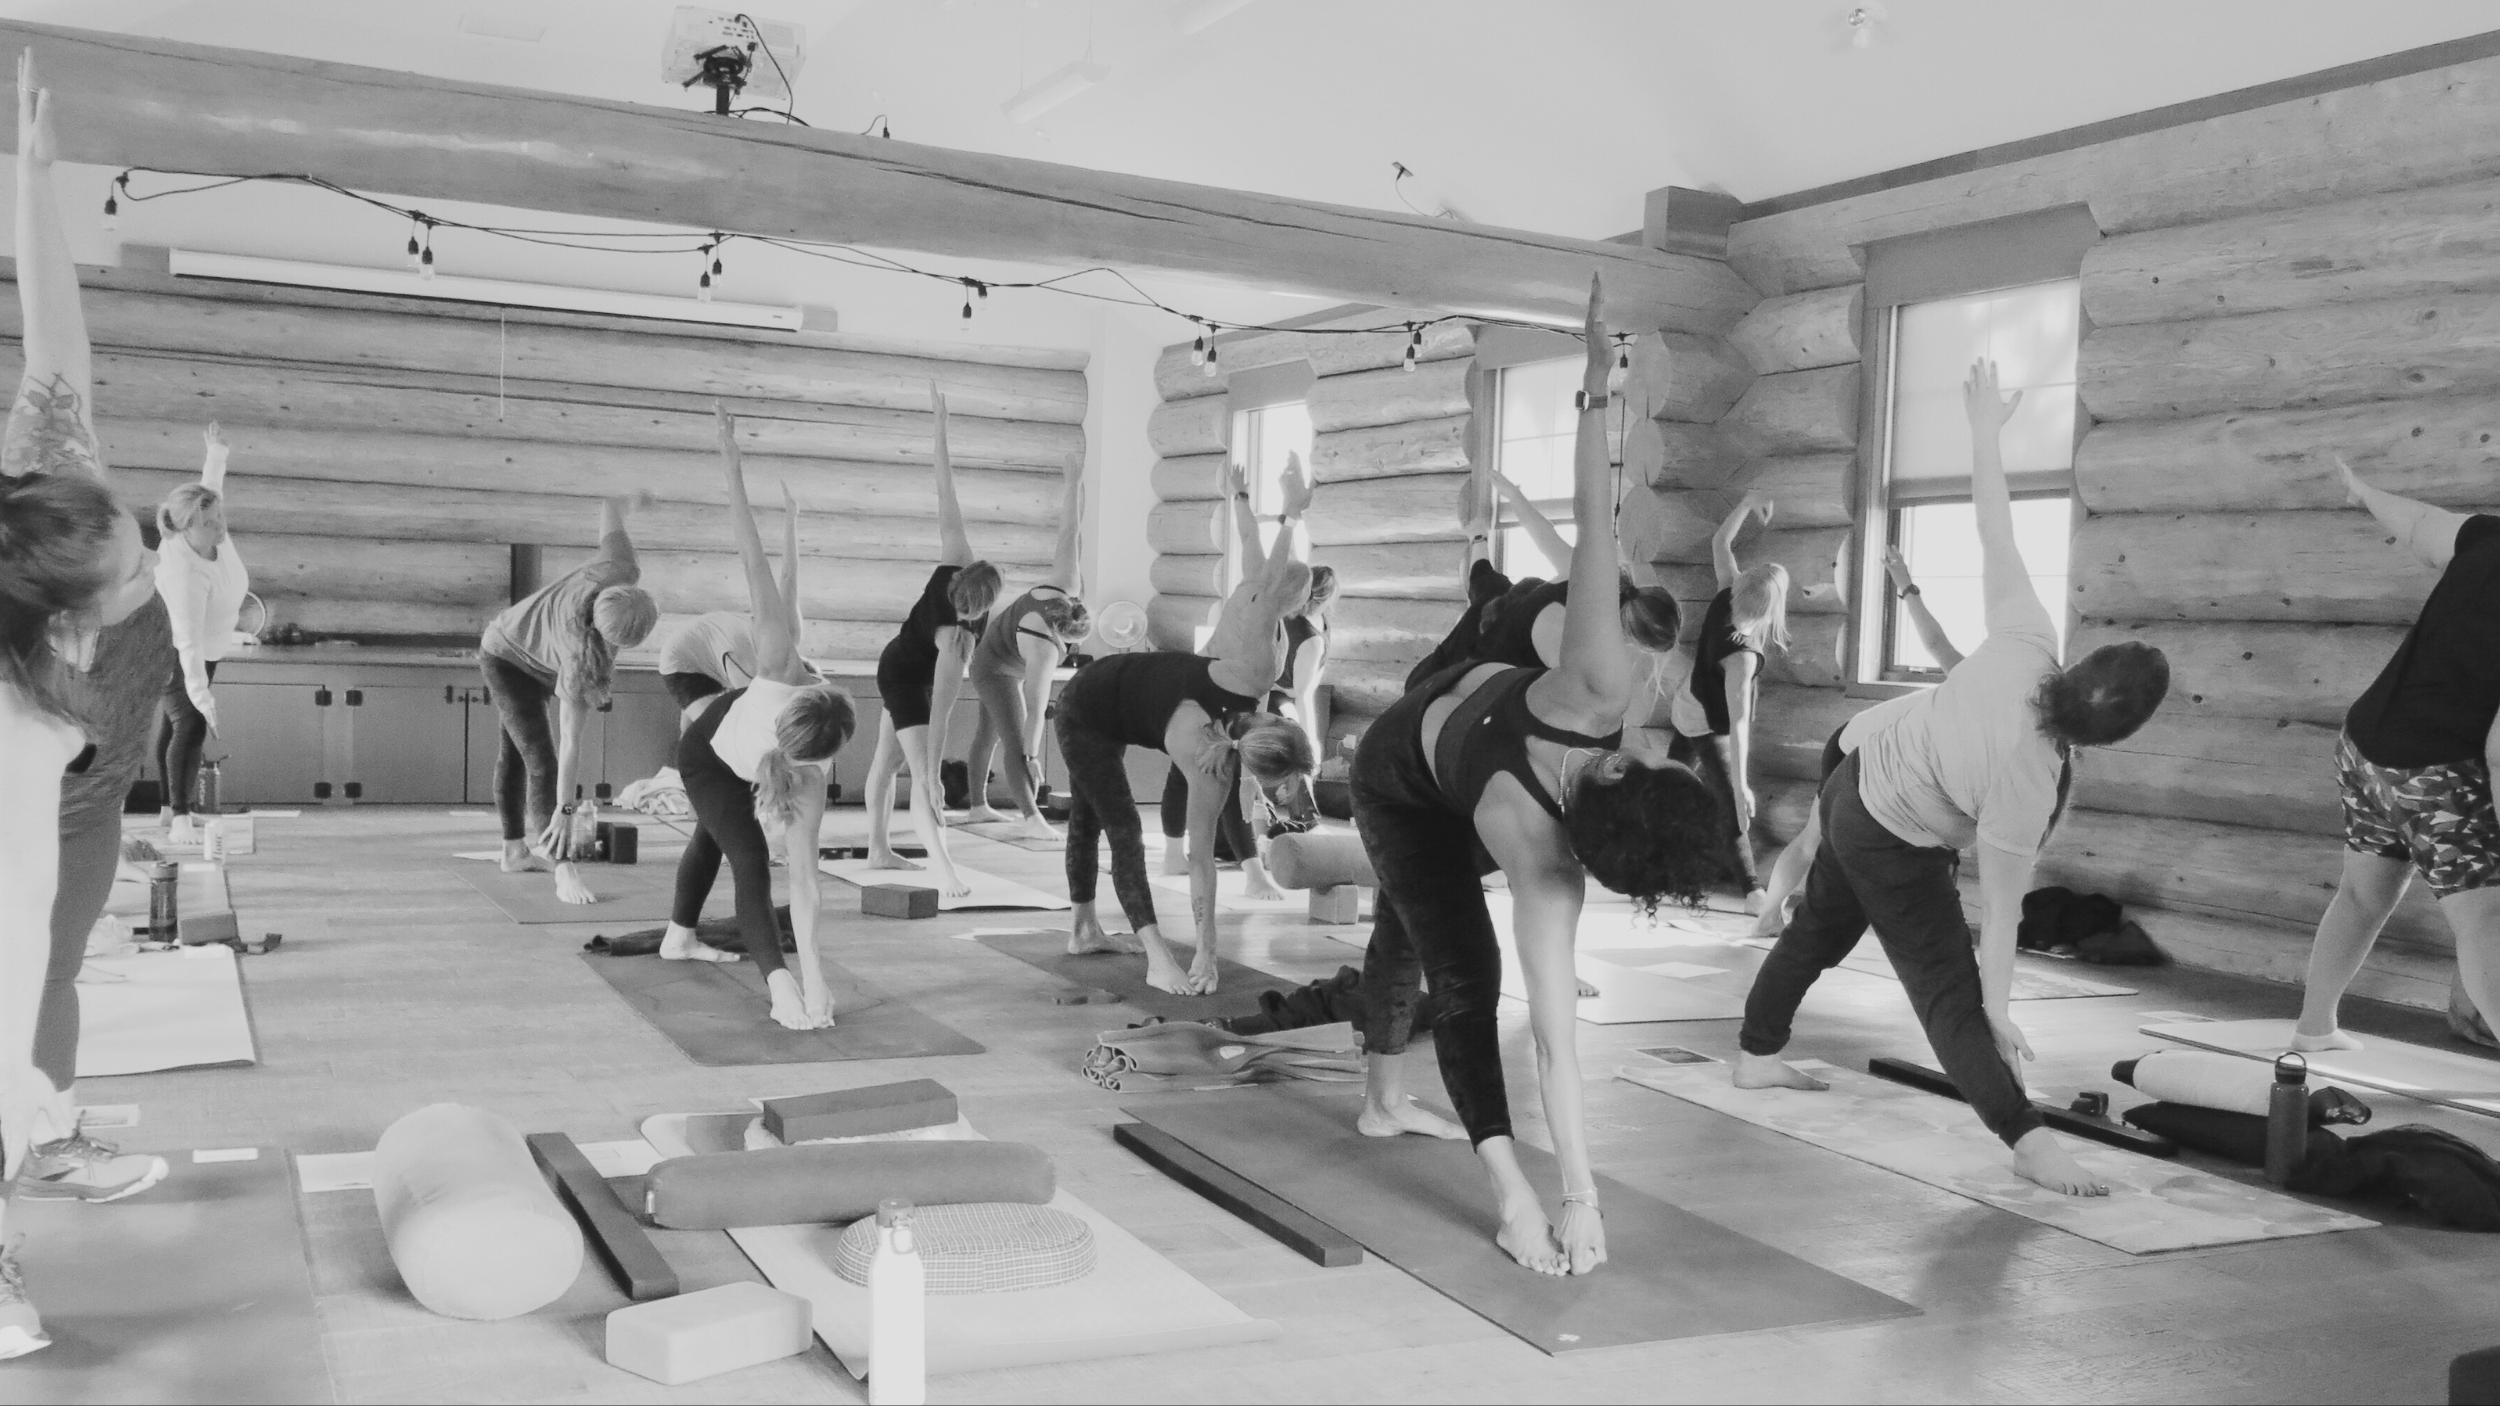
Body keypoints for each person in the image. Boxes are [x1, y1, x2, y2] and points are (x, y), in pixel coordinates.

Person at [1352, 278, 1727, 1276]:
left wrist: (1579, 1197)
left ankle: (1392, 1099)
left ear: (1620, 769)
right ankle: (1412, 1115)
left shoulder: (1547, 867)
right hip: (1397, 764)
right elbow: (1595, 536)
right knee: (1447, 953)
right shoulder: (1600, 681)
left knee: (1450, 960)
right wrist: (1594, 393)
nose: (1658, 740)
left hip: (1467, 768)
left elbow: (1558, 1044)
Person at [1733, 359, 2169, 1199]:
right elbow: (1999, 915)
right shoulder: (2029, 781)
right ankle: (2025, 1139)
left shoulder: (2025, 640)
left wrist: (1981, 431)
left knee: (1819, 931)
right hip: (1892, 833)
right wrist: (1996, 1012)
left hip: (1853, 776)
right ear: (2109, 738)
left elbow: (1994, 530)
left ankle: (1757, 1056)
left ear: (2077, 665)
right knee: (1948, 995)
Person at [0, 56, 180, 1356]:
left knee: (54, 978)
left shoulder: (48, 478)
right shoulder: (11, 718)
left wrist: (36, 174)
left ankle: (41, 1137)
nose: (147, 567)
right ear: (69, 621)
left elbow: (55, 330)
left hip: (94, 792)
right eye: (134, 576)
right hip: (35, 802)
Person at [1057, 455, 1321, 996]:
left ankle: (1084, 929)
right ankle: (1156, 955)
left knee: (1089, 816)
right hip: (1086, 705)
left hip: (1118, 691)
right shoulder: (1259, 663)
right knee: (1124, 827)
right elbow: (1270, 579)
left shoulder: (1245, 669)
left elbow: (1202, 859)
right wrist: (1289, 514)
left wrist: (1251, 503)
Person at [655, 407, 856, 1029]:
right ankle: (773, 987)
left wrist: (820, 977)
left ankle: (678, 937)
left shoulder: (807, 773)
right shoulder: (775, 663)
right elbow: (754, 564)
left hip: (747, 750)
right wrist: (730, 466)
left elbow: (807, 882)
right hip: (708, 753)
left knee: (720, 841)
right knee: (743, 855)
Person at [2294, 459, 2500, 1052]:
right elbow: (2499, 750)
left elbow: (2420, 524)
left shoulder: (2491, 536)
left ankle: (2315, 1030)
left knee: (2362, 894)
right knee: (2485, 920)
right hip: (2436, 766)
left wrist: (2364, 491)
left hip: (2363, 743)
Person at [1751, 546, 1963, 937]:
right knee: (1814, 839)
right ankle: (1767, 916)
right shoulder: (1977, 681)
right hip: (1856, 746)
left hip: (1879, 749)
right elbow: (1934, 641)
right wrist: (1905, 585)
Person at [476, 489, 661, 905]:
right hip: (506, 655)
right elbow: (571, 743)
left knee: (516, 753)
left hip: (539, 656)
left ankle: (513, 852)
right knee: (541, 758)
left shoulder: (621, 566)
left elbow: (610, 504)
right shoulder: (581, 658)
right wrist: (564, 810)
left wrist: (633, 500)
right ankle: (563, 870)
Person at [1159, 473, 1331, 895]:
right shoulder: (1269, 626)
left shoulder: (1248, 585)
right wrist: (1291, 515)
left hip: (1191, 681)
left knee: (1185, 772)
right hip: (1220, 695)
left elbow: (1248, 534)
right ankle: (1253, 874)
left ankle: (1170, 854)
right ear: (1297, 602)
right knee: (1234, 781)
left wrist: (1239, 494)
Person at [862, 384, 1003, 897]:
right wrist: (934, 773)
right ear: (960, 594)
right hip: (903, 672)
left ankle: (879, 849)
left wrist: (940, 429)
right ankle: (944, 870)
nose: (970, 617)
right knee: (920, 774)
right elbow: (940, 709)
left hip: (902, 660)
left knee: (887, 760)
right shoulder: (955, 641)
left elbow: (947, 491)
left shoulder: (957, 555)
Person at [1405, 468, 1683, 697]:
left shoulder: (1589, 580)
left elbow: (1543, 535)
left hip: (1446, 675)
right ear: (1636, 642)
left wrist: (1515, 496)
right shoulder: (1576, 644)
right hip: (1441, 695)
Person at [1663, 493, 1790, 914]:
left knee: (1671, 780)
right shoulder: (1741, 658)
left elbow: (1721, 543)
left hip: (1686, 702)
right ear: (1772, 610)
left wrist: (1749, 502)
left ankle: (1659, 862)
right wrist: (1741, 786)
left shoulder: (1725, 595)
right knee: (1731, 804)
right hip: (1705, 722)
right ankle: (1753, 892)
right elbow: (1738, 725)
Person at [962, 460, 1086, 840]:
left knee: (988, 732)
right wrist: (1032, 760)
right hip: (993, 667)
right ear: (1060, 635)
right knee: (1013, 740)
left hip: (1002, 653)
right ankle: (1033, 819)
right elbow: (1035, 713)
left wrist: (1073, 482)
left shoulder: (1065, 583)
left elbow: (1069, 531)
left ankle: (977, 807)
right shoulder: (1044, 650)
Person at [152, 422, 249, 841]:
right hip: (171, 645)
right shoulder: (183, 572)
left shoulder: (209, 530)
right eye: (210, 523)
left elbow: (211, 490)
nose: (221, 526)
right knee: (189, 723)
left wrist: (216, 455)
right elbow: (186, 640)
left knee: (176, 726)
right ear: (186, 528)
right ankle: (179, 815)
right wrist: (203, 696)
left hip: (206, 648)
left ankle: (164, 807)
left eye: (220, 516)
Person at [658, 610, 759, 726]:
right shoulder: (748, 667)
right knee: (718, 731)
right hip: (681, 659)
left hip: (705, 643)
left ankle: (686, 737)